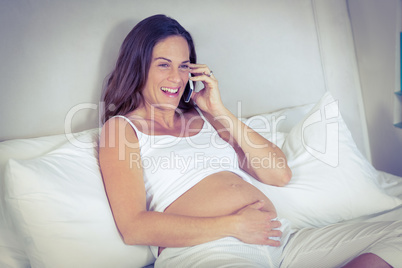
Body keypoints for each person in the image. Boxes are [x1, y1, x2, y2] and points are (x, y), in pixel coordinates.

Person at [99, 14, 401, 267]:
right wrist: (233, 226)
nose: (177, 78)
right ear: (138, 66)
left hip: (279, 241)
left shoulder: (204, 117)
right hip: (210, 251)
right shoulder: (121, 129)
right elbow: (134, 227)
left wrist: (218, 110)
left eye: (183, 66)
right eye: (163, 64)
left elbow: (278, 174)